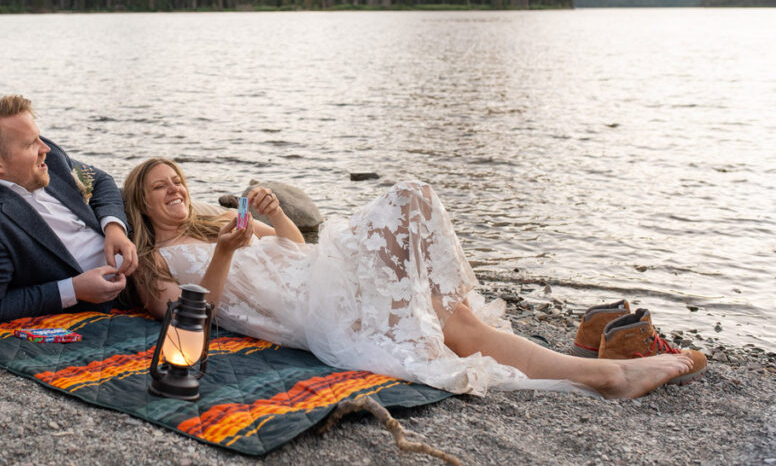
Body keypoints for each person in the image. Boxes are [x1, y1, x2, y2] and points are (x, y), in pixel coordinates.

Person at [123, 158, 701, 398]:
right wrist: (224, 254)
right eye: (160, 186)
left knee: (459, 319)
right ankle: (606, 372)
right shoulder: (157, 265)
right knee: (413, 201)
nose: (176, 187)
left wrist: (274, 216)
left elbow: (294, 249)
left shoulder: (221, 222)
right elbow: (188, 319)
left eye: (178, 179)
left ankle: (606, 373)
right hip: (307, 310)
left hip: (318, 272)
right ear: (141, 205)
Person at [0, 96, 137, 322]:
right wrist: (74, 290)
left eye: (38, 137)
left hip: (141, 240)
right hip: (127, 293)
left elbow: (100, 181)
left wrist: (114, 228)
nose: (45, 147)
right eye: (30, 144)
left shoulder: (49, 157)